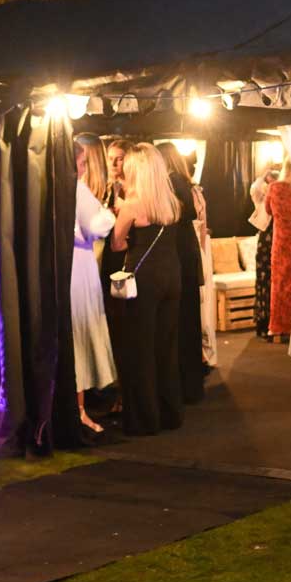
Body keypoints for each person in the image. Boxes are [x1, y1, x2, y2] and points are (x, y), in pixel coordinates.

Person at [106, 142, 184, 435]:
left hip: (144, 280)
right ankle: (171, 412)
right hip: (172, 276)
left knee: (139, 348)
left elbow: (116, 242)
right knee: (166, 347)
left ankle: (145, 419)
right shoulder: (172, 203)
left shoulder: (132, 204)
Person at [70, 136, 118, 433]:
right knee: (79, 335)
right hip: (79, 267)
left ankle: (77, 407)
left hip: (72, 265)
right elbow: (96, 225)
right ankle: (78, 410)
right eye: (81, 162)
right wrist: (110, 214)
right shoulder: (76, 190)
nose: (84, 169)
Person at [157, 143, 209, 404]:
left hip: (178, 251)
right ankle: (190, 382)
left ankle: (183, 383)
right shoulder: (184, 184)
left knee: (181, 319)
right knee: (188, 318)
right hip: (186, 250)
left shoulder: (171, 184)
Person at [265, 165, 291, 343]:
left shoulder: (275, 188)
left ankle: (278, 327)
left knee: (279, 284)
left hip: (281, 242)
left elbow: (267, 210)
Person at [248, 163, 280, 340]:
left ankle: (273, 322)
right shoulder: (261, 198)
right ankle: (263, 320)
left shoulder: (280, 194)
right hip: (266, 240)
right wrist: (264, 171)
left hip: (278, 237)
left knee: (274, 280)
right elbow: (254, 188)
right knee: (264, 279)